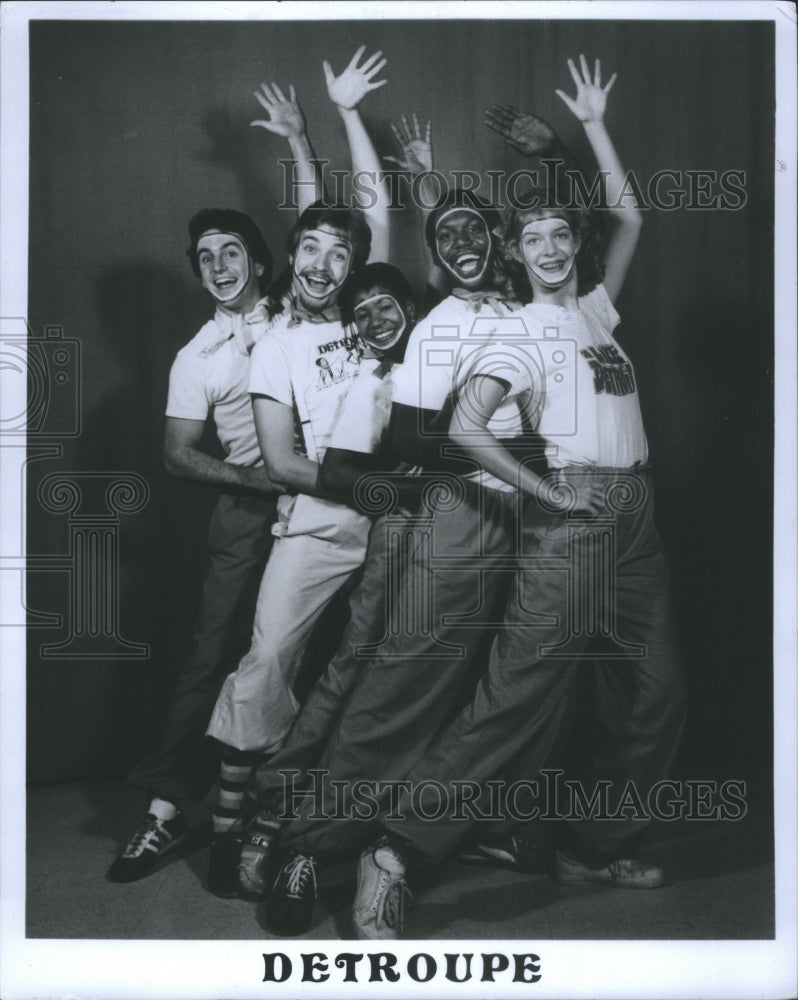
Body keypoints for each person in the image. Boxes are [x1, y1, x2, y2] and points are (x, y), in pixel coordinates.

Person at [348, 55, 687, 940]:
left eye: (557, 236)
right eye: (530, 239)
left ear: (571, 244)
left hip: (637, 516)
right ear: (515, 253)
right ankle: (393, 853)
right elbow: (465, 429)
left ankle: (592, 843)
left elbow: (632, 213)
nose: (546, 247)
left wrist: (595, 125)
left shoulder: (595, 312)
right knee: (514, 701)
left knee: (654, 691)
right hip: (572, 516)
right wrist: (545, 490)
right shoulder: (520, 328)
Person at [239, 173, 592, 936]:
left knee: (520, 683)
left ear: (499, 242)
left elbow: (580, 236)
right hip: (464, 507)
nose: (464, 247)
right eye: (446, 237)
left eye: (475, 232)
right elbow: (404, 441)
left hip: (539, 517)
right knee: (404, 681)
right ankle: (308, 842)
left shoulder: (529, 309)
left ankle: (467, 830)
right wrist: (519, 453)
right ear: (435, 257)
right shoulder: (436, 327)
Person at [106, 73, 326, 885]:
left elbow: (317, 224)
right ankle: (166, 812)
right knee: (212, 659)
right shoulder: (195, 355)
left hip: (334, 501)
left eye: (233, 250)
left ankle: (297, 815)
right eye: (205, 258)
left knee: (323, 653)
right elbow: (174, 453)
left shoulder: (300, 311)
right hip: (250, 509)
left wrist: (297, 140)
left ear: (261, 263)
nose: (219, 264)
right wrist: (260, 477)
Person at [202, 46, 394, 896]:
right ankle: (228, 830)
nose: (323, 263)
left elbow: (371, 214)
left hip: (394, 526)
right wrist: (297, 140)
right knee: (268, 662)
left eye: (338, 254)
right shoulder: (276, 340)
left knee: (367, 679)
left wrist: (339, 119)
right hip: (318, 523)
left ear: (354, 268)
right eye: (308, 250)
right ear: (294, 258)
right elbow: (281, 460)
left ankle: (302, 828)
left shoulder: (372, 317)